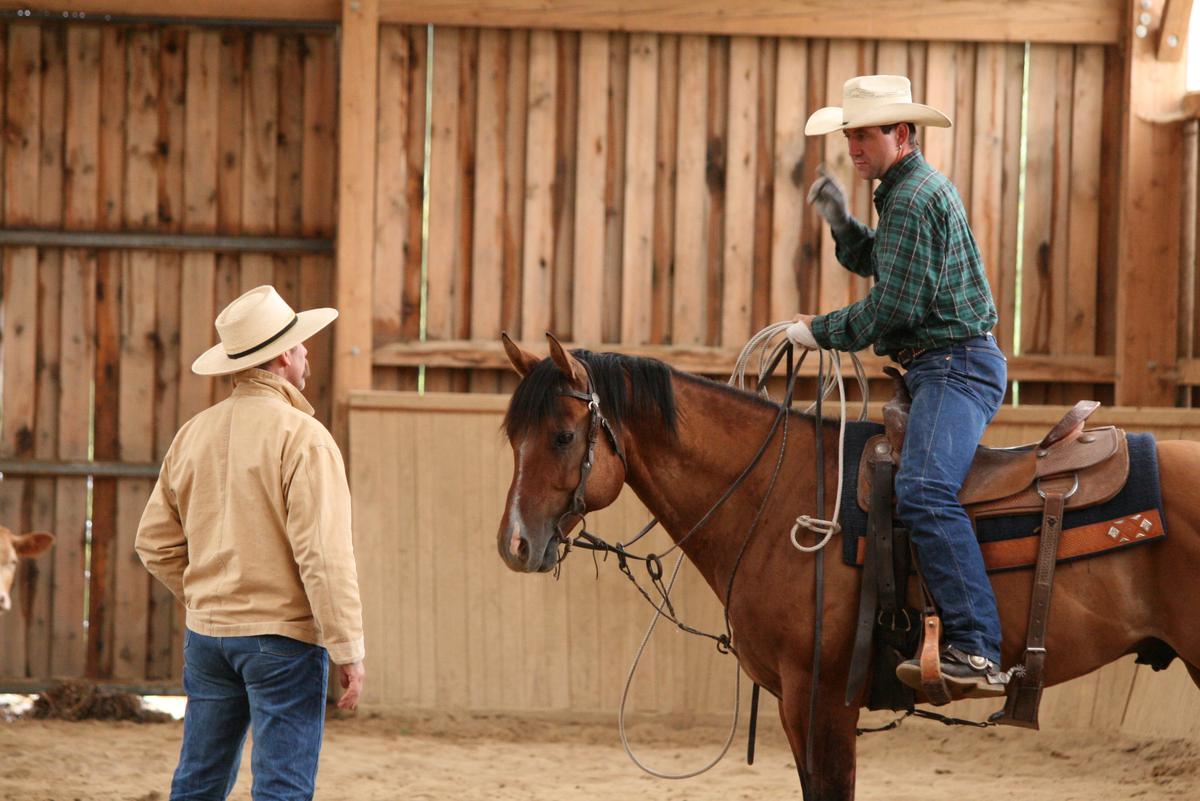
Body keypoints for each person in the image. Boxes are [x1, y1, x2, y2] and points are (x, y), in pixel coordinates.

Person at [787, 75, 1009, 699]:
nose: (853, 147)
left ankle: (977, 647)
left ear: (902, 134)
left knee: (923, 489)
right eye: (849, 135)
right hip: (943, 364)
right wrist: (841, 221)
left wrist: (819, 332)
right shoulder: (905, 192)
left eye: (864, 135)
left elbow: (894, 307)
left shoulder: (912, 199)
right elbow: (882, 263)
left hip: (954, 367)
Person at [136, 285, 366, 799]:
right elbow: (324, 557)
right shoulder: (305, 438)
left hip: (208, 637)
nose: (308, 352)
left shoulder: (192, 433)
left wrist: (206, 595)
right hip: (281, 641)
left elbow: (153, 542)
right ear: (284, 355)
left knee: (198, 780)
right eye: (303, 344)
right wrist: (347, 647)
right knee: (282, 786)